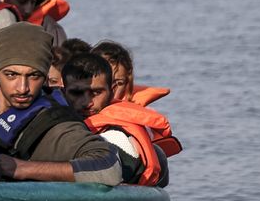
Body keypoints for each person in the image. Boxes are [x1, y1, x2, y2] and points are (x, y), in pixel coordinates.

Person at [0, 23, 122, 185]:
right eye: (11, 75)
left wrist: (23, 168)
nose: (22, 88)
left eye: (34, 76)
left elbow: (109, 168)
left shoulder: (56, 127)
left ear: (45, 77)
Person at [61, 52, 180, 187]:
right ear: (63, 93)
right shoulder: (52, 123)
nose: (87, 102)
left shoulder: (118, 137)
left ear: (112, 92)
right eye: (76, 93)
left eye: (96, 92)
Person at [91, 40, 170, 107]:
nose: (111, 91)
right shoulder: (80, 115)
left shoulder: (139, 117)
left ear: (127, 85)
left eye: (119, 83)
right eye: (106, 82)